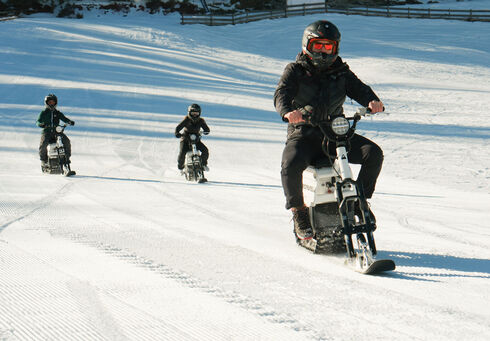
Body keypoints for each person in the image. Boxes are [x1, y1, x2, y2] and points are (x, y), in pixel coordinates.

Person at [274, 20, 384, 240]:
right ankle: (299, 213)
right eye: (319, 46)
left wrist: (372, 100)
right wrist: (288, 112)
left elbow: (359, 89)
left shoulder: (341, 72)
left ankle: (359, 202)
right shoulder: (295, 70)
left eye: (328, 47)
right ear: (307, 45)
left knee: (373, 154)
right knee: (290, 164)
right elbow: (281, 94)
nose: (323, 53)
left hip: (335, 133)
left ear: (336, 48)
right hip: (303, 133)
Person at [36, 94, 75, 166]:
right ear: (47, 103)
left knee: (66, 141)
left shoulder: (57, 113)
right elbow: (38, 121)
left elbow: (64, 118)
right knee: (43, 144)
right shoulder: (44, 113)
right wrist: (41, 124)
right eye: (50, 102)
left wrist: (69, 122)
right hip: (47, 132)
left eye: (53, 102)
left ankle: (67, 158)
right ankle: (44, 160)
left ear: (55, 103)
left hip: (57, 132)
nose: (51, 104)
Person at [175, 103, 210, 172]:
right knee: (182, 152)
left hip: (196, 139)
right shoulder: (186, 120)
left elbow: (206, 128)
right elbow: (178, 128)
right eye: (193, 113)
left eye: (196, 113)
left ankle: (203, 164)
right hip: (185, 139)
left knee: (205, 150)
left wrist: (206, 131)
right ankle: (181, 167)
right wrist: (177, 133)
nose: (194, 115)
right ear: (189, 113)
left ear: (199, 113)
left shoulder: (201, 121)